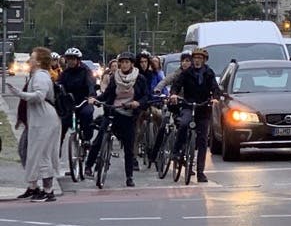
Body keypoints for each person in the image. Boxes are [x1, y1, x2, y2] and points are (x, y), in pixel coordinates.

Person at [84, 52, 148, 187]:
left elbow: (145, 96)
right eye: (122, 62)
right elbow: (107, 94)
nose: (124, 65)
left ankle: (129, 176)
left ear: (132, 64)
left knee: (129, 148)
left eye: (127, 62)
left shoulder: (140, 78)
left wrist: (138, 103)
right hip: (114, 111)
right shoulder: (115, 77)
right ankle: (89, 166)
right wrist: (95, 99)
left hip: (129, 114)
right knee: (100, 137)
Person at [5, 47, 61, 202]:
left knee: (42, 154)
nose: (29, 60)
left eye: (32, 57)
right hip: (40, 119)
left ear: (39, 61)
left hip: (44, 120)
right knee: (33, 153)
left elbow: (39, 96)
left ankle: (48, 191)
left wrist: (19, 94)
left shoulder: (41, 77)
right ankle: (35, 187)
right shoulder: (37, 75)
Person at [170, 48, 221, 183]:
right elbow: (176, 84)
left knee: (203, 140)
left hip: (203, 108)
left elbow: (215, 88)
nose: (197, 60)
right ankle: (176, 151)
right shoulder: (187, 73)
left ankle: (200, 172)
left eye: (200, 58)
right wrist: (174, 94)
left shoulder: (209, 73)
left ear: (204, 60)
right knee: (184, 124)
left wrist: (215, 98)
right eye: (195, 58)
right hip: (188, 105)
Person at [148, 51, 192, 166]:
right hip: (174, 104)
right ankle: (155, 154)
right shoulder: (177, 74)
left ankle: (187, 156)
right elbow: (165, 81)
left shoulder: (194, 75)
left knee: (190, 130)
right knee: (163, 126)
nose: (185, 63)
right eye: (183, 61)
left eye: (187, 61)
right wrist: (158, 89)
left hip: (188, 105)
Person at [58, 47, 97, 147]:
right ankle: (57, 148)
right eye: (69, 59)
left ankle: (87, 139)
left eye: (73, 59)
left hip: (84, 101)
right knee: (63, 122)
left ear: (78, 60)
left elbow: (90, 84)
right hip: (70, 103)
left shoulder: (86, 71)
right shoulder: (65, 73)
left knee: (87, 114)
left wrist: (91, 96)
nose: (71, 61)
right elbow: (59, 85)